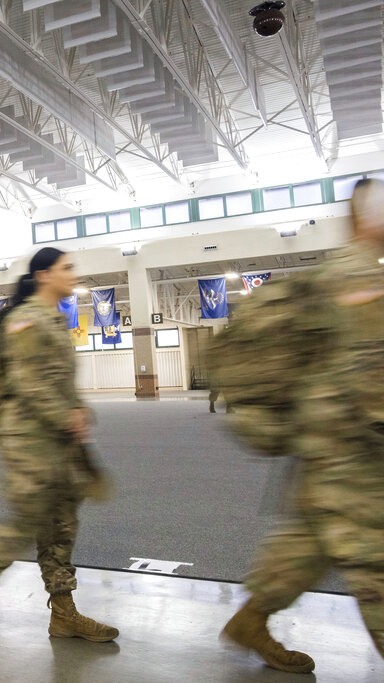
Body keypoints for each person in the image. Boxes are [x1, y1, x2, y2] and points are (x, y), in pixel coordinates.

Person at [211, 178, 384, 673]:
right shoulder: (360, 278)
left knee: (308, 541)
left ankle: (250, 619)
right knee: (376, 563)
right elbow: (373, 384)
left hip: (327, 447)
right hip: (355, 456)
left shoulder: (350, 273)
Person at [0, 248, 118, 642]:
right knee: (28, 518)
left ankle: (63, 613)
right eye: (67, 268)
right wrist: (67, 415)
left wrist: (76, 408)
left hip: (56, 438)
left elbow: (55, 380)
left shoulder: (52, 319)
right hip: (28, 439)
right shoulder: (26, 320)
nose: (74, 274)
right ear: (44, 275)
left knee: (61, 524)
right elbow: (28, 384)